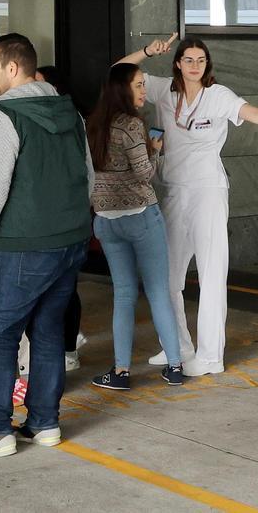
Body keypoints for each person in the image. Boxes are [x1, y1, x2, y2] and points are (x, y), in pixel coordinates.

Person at [118, 34, 258, 377]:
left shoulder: (218, 96)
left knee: (212, 274)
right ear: (177, 63)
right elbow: (118, 71)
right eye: (189, 60)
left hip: (209, 190)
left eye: (201, 60)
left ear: (207, 64)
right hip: (174, 191)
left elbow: (251, 112)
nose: (195, 66)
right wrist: (148, 51)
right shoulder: (164, 90)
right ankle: (178, 345)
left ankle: (211, 357)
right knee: (165, 276)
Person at [0, 33, 94, 459]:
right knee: (47, 333)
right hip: (68, 241)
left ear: (14, 68)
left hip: (19, 247)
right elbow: (88, 177)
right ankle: (44, 422)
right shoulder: (70, 111)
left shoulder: (2, 115)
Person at [86, 63, 186, 390]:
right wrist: (155, 151)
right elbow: (144, 174)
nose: (144, 91)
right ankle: (174, 365)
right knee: (158, 291)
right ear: (123, 89)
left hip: (107, 222)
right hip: (141, 216)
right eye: (139, 85)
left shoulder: (93, 125)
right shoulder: (131, 125)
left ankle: (121, 371)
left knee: (124, 295)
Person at [36, 66, 86, 372]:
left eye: (39, 83)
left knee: (66, 290)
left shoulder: (71, 119)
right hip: (47, 219)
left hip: (66, 218)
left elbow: (85, 171)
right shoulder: (29, 116)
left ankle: (68, 348)